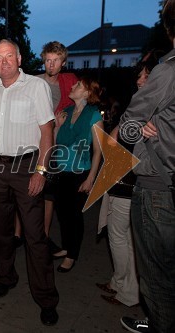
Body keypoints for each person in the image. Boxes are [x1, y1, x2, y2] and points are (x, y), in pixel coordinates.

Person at [0, 39, 59, 326]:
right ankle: (6, 277)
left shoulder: (36, 86)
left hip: (27, 167)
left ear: (19, 58)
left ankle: (46, 298)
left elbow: (47, 132)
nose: (4, 62)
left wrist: (41, 170)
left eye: (9, 56)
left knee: (34, 236)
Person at [118, 1, 175, 332]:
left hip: (159, 187)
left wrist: (138, 129)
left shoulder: (167, 71)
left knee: (157, 274)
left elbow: (128, 123)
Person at [95, 53, 159, 307]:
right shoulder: (139, 103)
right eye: (140, 76)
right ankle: (119, 282)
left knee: (119, 236)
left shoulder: (156, 107)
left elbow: (131, 141)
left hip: (130, 180)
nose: (141, 81)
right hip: (118, 176)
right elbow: (116, 135)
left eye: (147, 76)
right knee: (119, 234)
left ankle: (128, 292)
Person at [53, 77, 103, 273]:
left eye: (79, 85)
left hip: (80, 172)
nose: (73, 87)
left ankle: (72, 255)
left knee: (74, 215)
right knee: (62, 213)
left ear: (87, 93)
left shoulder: (94, 115)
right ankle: (66, 247)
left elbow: (98, 151)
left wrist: (91, 178)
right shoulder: (66, 112)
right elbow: (57, 143)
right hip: (61, 170)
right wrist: (57, 126)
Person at [36, 41, 78, 256]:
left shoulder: (69, 82)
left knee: (49, 194)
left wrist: (62, 124)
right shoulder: (34, 82)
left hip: (55, 145)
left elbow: (81, 105)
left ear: (63, 62)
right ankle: (18, 235)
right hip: (33, 143)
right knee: (26, 190)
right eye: (48, 60)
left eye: (55, 61)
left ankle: (42, 237)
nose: (51, 65)